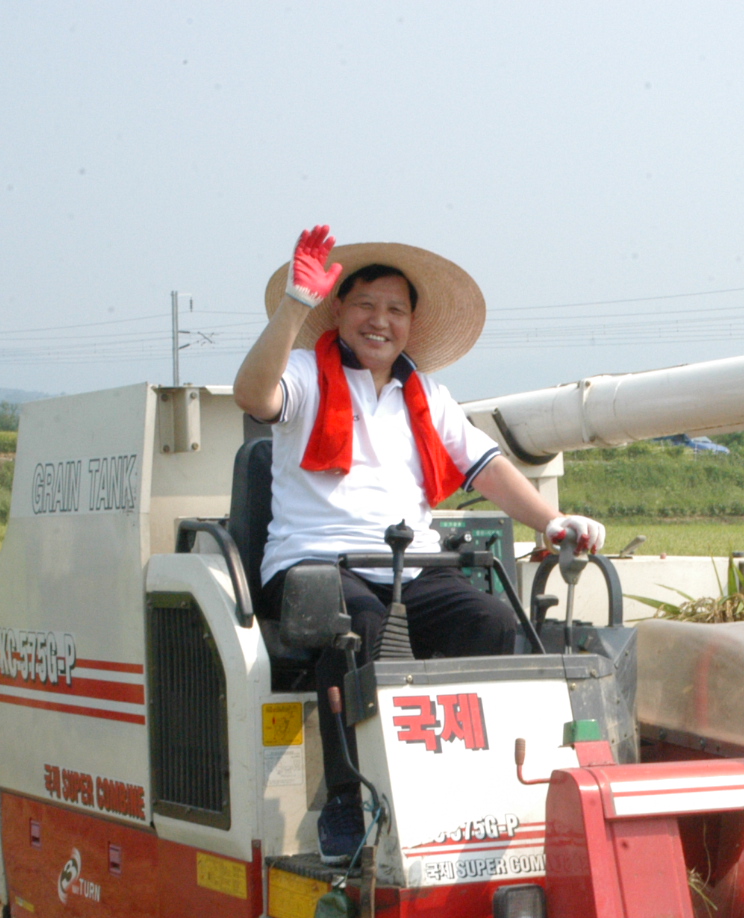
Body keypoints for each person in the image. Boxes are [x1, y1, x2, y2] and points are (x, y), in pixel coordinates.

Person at [233, 227, 606, 859]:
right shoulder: (304, 371)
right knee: (365, 630)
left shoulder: (427, 395)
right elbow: (252, 395)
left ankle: (465, 789)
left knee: (489, 620)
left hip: (408, 565)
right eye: (365, 306)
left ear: (411, 323)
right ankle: (352, 799)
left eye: (395, 310)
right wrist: (294, 304)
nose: (380, 321)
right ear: (339, 310)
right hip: (315, 561)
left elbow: (486, 467)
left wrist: (550, 521)